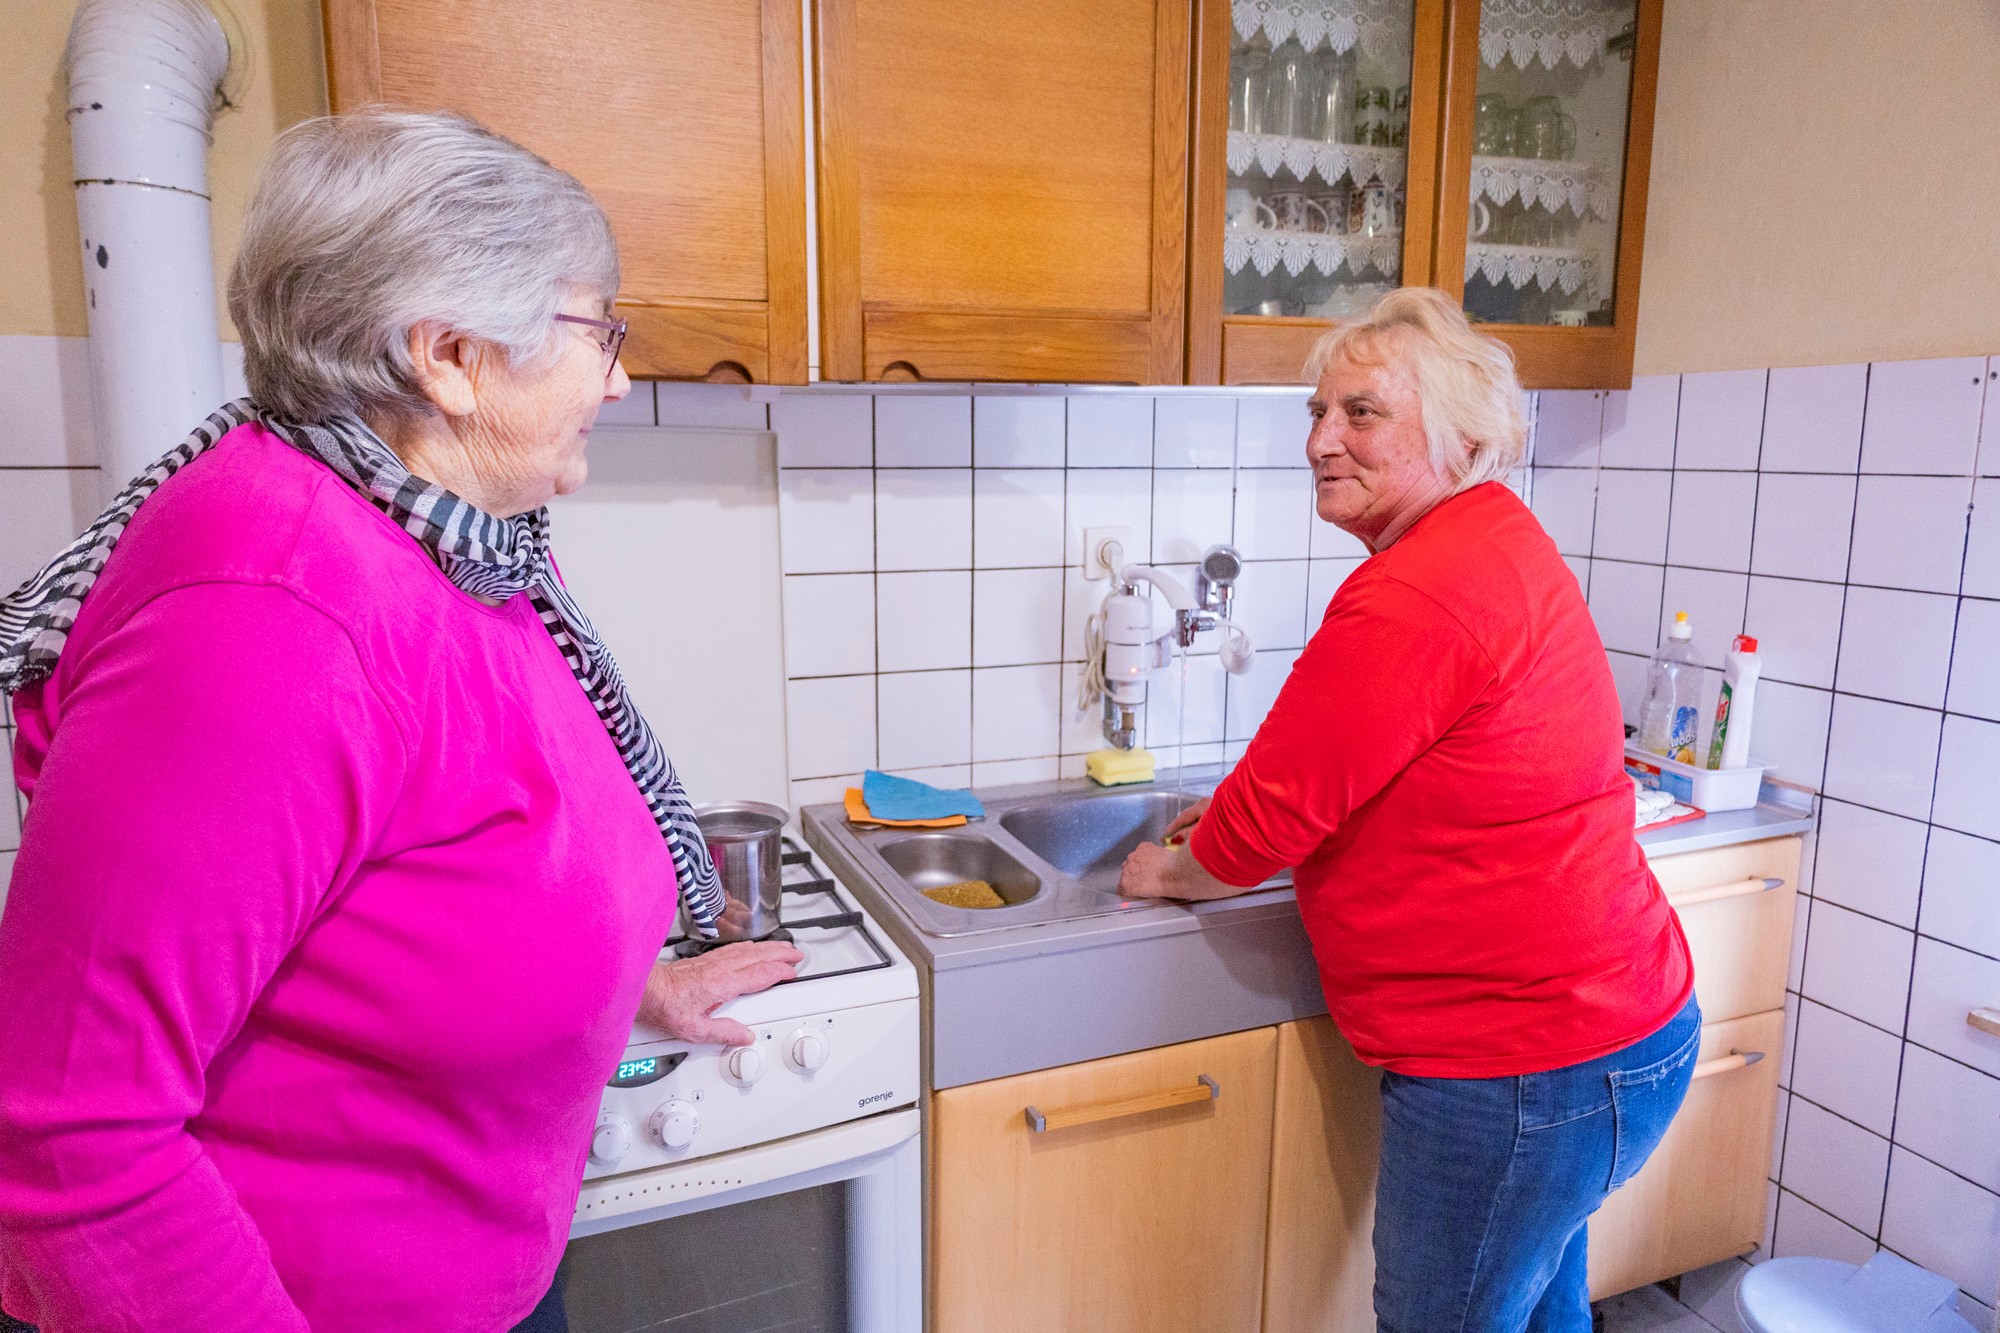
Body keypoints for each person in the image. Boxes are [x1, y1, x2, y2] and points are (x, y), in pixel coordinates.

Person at [0, 110, 799, 1332]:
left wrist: (619, 985)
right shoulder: (268, 609)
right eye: (600, 332)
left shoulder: (451, 536)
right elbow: (73, 1136)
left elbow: (447, 865)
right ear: (450, 357)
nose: (620, 376)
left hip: (487, 1272)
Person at [1119, 287, 1698, 1333]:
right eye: (1315, 410)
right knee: (1533, 1312)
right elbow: (1369, 765)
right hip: (1606, 1035)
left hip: (1521, 1068)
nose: (1320, 440)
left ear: (1457, 436)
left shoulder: (1415, 590)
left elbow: (1259, 831)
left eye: (1360, 413)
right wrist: (1234, 812)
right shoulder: (1491, 539)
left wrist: (1162, 868)